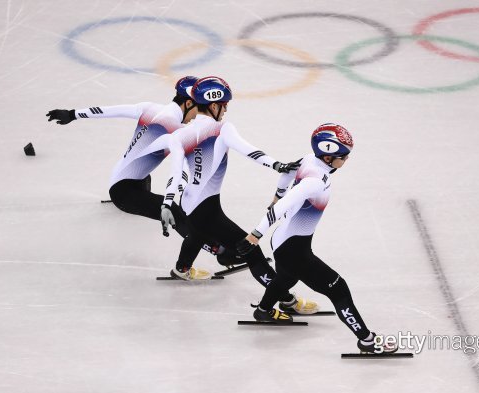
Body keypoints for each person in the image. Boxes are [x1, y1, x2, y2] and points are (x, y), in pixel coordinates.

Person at [159, 76, 318, 313]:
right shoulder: (222, 129)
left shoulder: (179, 135)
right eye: (225, 105)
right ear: (214, 105)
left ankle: (182, 268)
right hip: (206, 210)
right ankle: (286, 300)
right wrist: (276, 165)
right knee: (252, 252)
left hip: (188, 205)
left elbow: (175, 174)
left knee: (198, 233)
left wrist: (167, 203)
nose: (225, 111)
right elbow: (248, 150)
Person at [237, 123, 397, 353]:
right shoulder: (314, 181)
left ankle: (263, 310)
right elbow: (283, 206)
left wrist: (276, 195)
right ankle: (367, 340)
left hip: (284, 241)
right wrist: (254, 235)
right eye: (343, 156)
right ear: (329, 157)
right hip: (293, 249)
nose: (346, 160)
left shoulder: (309, 159)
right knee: (339, 290)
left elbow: (287, 172)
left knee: (286, 278)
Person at [45, 76, 217, 279]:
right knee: (177, 213)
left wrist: (72, 114)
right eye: (198, 109)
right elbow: (182, 170)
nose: (197, 117)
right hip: (124, 194)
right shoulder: (177, 130)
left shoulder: (149, 108)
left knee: (145, 167)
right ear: (188, 103)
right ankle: (203, 257)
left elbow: (109, 111)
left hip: (124, 180)